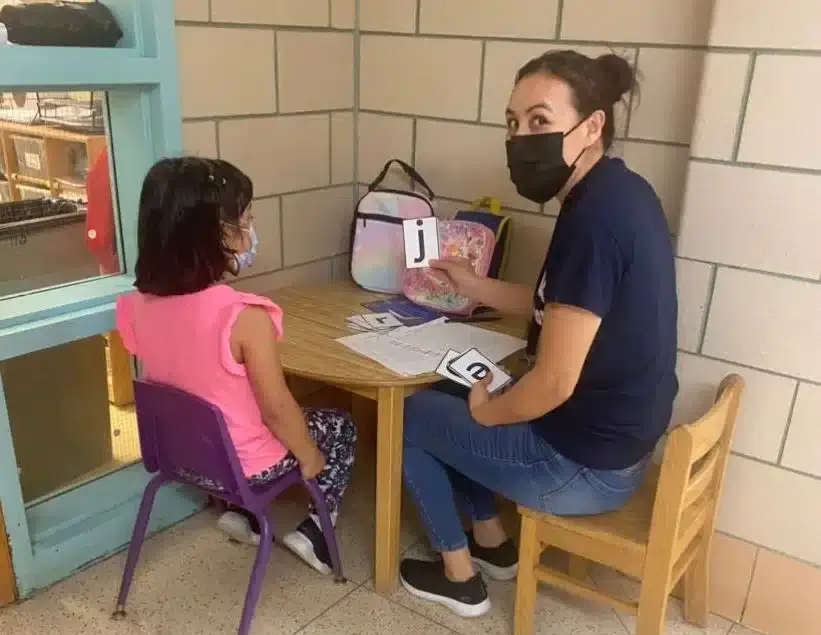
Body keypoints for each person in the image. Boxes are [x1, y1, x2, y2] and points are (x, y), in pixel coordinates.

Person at [399, 50, 678, 616]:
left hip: (582, 468)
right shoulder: (619, 193)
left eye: (540, 121)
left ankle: (461, 577)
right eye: (512, 122)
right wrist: (474, 287)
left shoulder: (593, 222)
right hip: (617, 447)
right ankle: (494, 546)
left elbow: (552, 383)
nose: (521, 138)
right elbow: (563, 306)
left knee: (412, 416)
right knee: (455, 395)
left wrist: (486, 412)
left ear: (592, 125)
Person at [115, 157, 356, 575]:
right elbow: (276, 409)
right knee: (338, 427)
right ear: (215, 236)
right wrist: (309, 455)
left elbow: (189, 380)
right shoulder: (245, 317)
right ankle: (316, 531)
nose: (251, 232)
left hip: (185, 457)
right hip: (243, 466)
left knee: (232, 411)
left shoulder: (135, 307)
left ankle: (241, 513)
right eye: (246, 221)